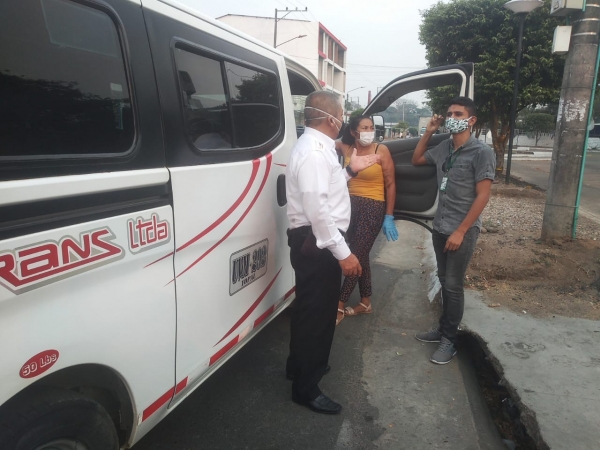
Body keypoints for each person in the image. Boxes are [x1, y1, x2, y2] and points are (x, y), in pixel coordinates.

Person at [285, 91, 381, 414]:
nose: (344, 120)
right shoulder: (314, 152)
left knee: (308, 309)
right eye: (341, 114)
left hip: (316, 241)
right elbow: (318, 210)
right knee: (318, 314)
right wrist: (344, 253)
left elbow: (327, 190)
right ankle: (306, 387)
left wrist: (351, 170)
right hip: (320, 243)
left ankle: (299, 366)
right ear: (331, 119)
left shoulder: (318, 148)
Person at [411, 97, 495, 365]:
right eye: (449, 113)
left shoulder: (481, 152)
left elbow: (483, 196)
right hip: (440, 226)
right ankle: (443, 329)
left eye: (458, 113)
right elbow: (415, 159)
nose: (451, 117)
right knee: (444, 278)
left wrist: (460, 231)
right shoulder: (444, 147)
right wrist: (429, 131)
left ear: (471, 120)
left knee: (454, 285)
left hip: (463, 229)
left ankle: (450, 340)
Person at [335, 116, 398, 325]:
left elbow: (390, 184)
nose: (369, 131)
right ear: (353, 131)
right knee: (360, 255)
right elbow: (322, 142)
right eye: (364, 128)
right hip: (348, 206)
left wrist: (389, 215)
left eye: (371, 127)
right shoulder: (346, 148)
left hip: (373, 206)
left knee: (355, 255)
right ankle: (365, 302)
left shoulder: (381, 150)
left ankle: (339, 305)